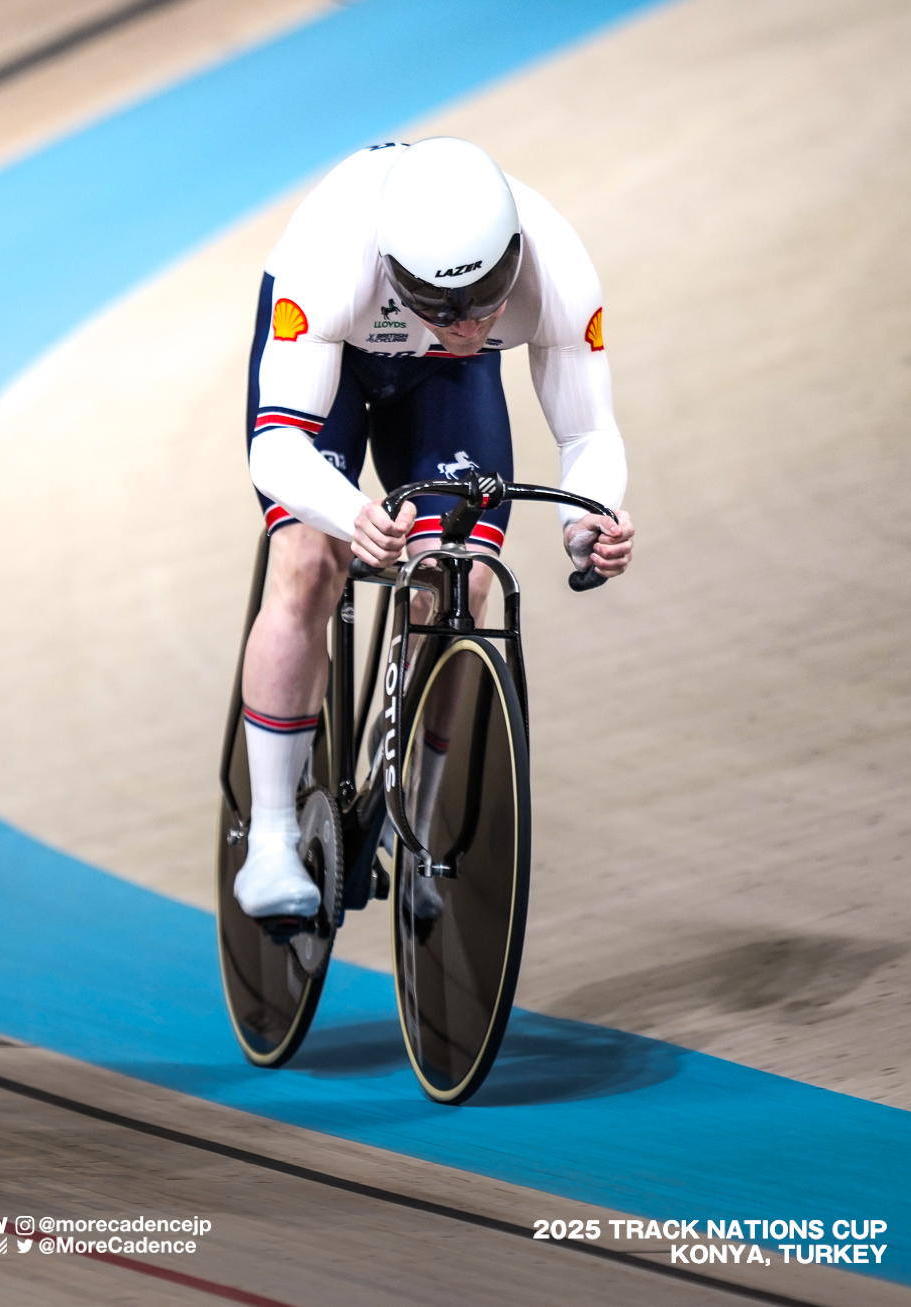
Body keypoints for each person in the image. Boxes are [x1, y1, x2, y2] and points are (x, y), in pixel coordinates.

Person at [235, 137, 635, 919]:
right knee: (310, 563)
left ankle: (414, 815)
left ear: (512, 255)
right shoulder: (330, 260)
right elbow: (276, 446)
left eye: (489, 297)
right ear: (394, 270)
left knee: (462, 579)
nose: (469, 321)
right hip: (338, 359)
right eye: (446, 306)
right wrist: (347, 511)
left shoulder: (555, 267)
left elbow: (589, 436)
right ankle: (273, 836)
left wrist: (589, 517)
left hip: (446, 383)